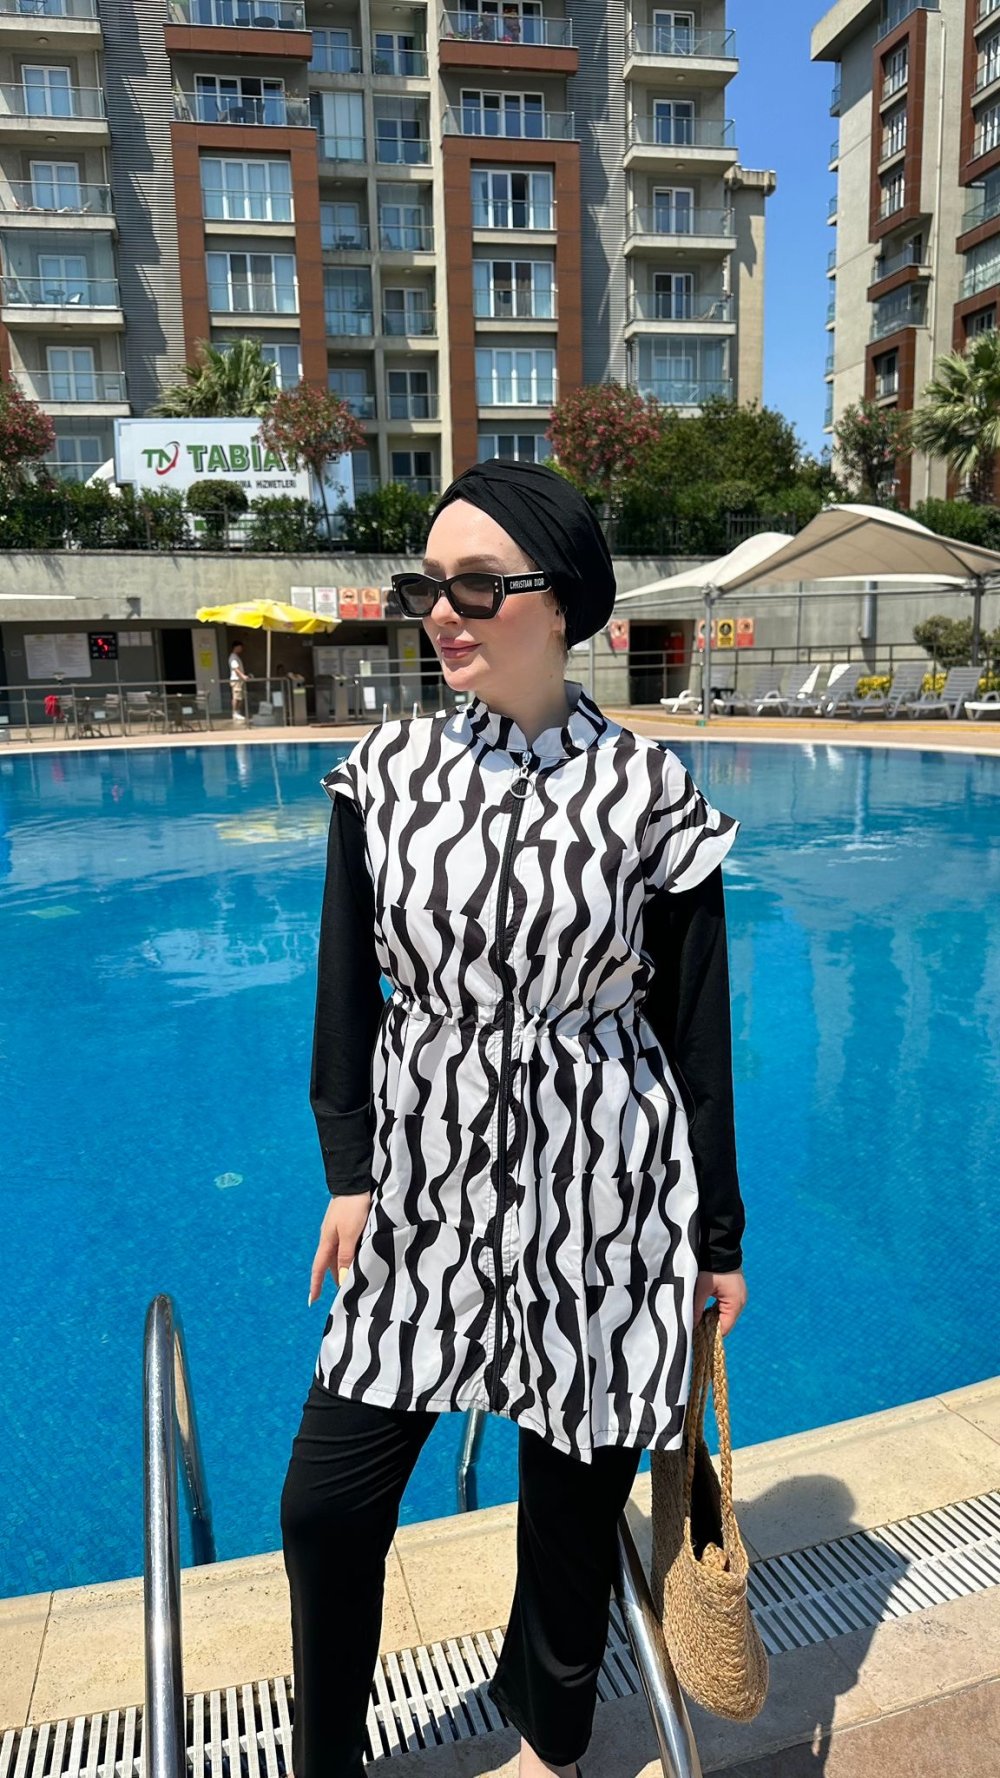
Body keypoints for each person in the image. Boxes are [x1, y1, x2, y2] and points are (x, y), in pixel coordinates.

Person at [281, 459, 749, 1778]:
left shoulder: (649, 791)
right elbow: (345, 991)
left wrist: (715, 1238)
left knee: (569, 1504)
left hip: (605, 1190)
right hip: (425, 1187)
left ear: (563, 601)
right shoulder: (384, 775)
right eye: (428, 584)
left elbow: (696, 1029)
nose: (442, 609)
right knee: (326, 1500)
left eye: (478, 584)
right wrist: (348, 1169)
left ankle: (552, 1740)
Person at [228, 639, 249, 722]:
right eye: (240, 647)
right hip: (236, 680)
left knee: (240, 697)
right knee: (236, 697)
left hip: (239, 680)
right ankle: (235, 713)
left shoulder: (236, 657)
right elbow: (235, 669)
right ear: (236, 647)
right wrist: (243, 676)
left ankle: (237, 712)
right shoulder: (233, 657)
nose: (241, 649)